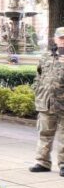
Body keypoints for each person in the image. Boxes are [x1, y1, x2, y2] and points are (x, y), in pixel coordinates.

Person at [29, 26, 64, 176]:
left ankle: (63, 164)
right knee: (44, 133)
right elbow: (38, 75)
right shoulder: (45, 56)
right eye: (61, 38)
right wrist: (37, 89)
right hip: (46, 102)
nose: (63, 41)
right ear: (55, 39)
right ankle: (42, 162)